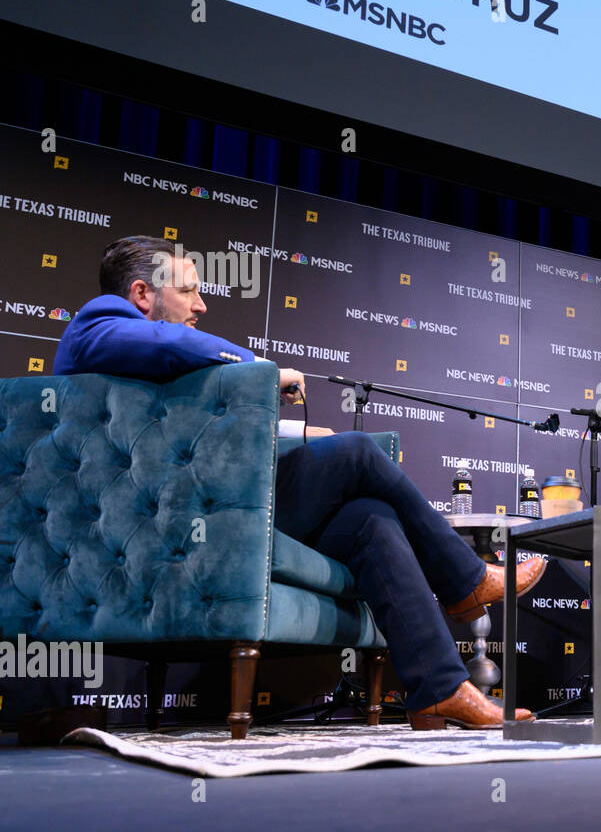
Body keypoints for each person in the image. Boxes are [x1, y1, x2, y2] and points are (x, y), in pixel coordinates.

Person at [54, 235, 545, 729]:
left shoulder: (141, 355)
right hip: (176, 524)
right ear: (142, 293)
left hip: (210, 511)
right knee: (357, 453)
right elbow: (172, 345)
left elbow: (193, 416)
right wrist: (264, 370)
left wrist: (295, 430)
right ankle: (466, 583)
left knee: (369, 522)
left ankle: (439, 689)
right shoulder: (97, 325)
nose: (201, 306)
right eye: (189, 292)